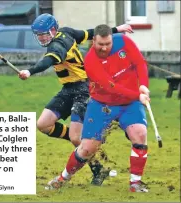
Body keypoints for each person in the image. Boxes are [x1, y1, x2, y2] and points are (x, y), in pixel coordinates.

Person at [18, 14, 134, 186]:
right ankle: (83, 142)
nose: (42, 38)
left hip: (84, 89)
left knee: (76, 137)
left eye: (44, 34)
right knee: (43, 124)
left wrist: (29, 71)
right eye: (39, 35)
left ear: (53, 30)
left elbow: (47, 61)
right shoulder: (68, 32)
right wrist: (118, 29)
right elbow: (90, 33)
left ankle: (98, 169)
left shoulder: (58, 45)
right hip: (68, 89)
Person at [46, 24, 151, 192]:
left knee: (140, 134)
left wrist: (144, 86)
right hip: (102, 105)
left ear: (111, 39)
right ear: (93, 40)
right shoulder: (91, 61)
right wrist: (137, 95)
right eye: (100, 44)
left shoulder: (124, 42)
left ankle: (135, 183)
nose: (104, 48)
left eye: (107, 44)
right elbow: (110, 86)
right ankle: (62, 177)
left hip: (129, 104)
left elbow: (140, 63)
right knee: (87, 149)